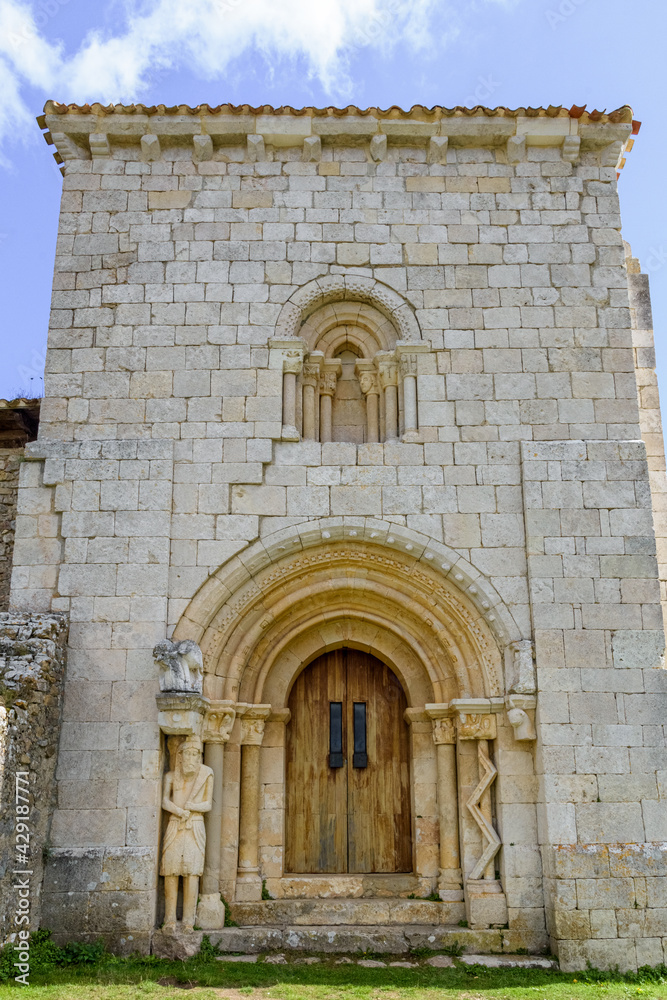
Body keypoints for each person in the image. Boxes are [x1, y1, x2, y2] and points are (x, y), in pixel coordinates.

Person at [160, 735, 213, 931]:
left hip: (195, 825)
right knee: (170, 870)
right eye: (188, 754)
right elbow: (164, 801)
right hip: (175, 824)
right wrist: (179, 810)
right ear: (180, 756)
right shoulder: (170, 777)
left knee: (192, 871)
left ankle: (189, 921)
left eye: (196, 754)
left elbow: (208, 804)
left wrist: (194, 806)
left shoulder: (206, 775)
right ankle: (170, 919)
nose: (192, 758)